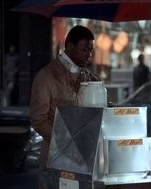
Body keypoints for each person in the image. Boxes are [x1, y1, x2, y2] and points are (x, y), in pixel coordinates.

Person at [30, 25, 100, 189]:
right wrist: (66, 140)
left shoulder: (90, 76)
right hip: (55, 160)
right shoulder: (46, 76)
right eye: (84, 50)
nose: (89, 55)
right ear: (69, 46)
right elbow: (38, 119)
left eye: (91, 50)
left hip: (86, 162)